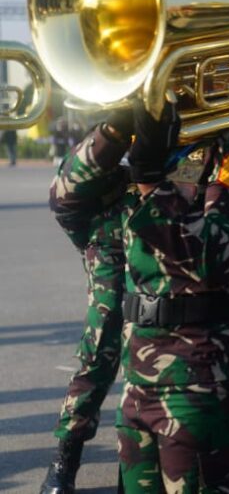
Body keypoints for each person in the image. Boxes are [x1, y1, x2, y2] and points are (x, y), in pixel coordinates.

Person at [50, 99, 229, 492]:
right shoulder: (142, 136)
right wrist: (113, 131)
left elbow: (213, 256)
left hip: (208, 375)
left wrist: (151, 180)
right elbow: (64, 198)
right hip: (141, 373)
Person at [40, 204, 124, 494]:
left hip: (172, 237)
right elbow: (66, 194)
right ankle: (66, 456)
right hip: (114, 239)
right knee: (100, 351)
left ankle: (142, 460)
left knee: (159, 351)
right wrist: (92, 239)